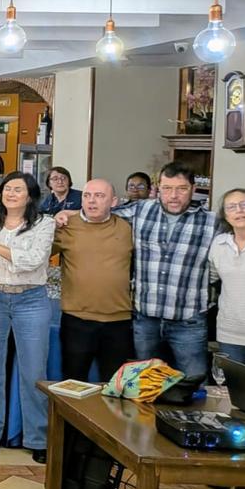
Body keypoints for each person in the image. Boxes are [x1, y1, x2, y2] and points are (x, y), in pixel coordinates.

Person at [59, 161, 215, 380]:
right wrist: (66, 213)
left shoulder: (212, 222)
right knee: (142, 386)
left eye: (181, 189)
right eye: (167, 188)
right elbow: (99, 211)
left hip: (187, 320)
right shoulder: (141, 211)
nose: (174, 195)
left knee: (194, 382)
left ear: (193, 189)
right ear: (157, 189)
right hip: (146, 319)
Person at [0, 172, 55, 462]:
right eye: (7, 188)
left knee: (34, 371)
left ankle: (38, 437)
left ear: (30, 195)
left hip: (31, 300)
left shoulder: (45, 223)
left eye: (18, 189)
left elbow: (31, 261)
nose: (11, 193)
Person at [51, 178, 134, 383]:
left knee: (115, 387)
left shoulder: (128, 228)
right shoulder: (66, 226)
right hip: (77, 320)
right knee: (72, 384)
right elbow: (38, 253)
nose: (92, 201)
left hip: (118, 321)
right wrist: (54, 222)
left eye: (99, 196)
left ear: (114, 201)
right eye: (87, 195)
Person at [210, 188, 245, 365]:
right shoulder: (219, 243)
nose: (239, 210)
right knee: (235, 391)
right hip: (230, 335)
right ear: (225, 216)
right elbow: (213, 278)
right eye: (231, 206)